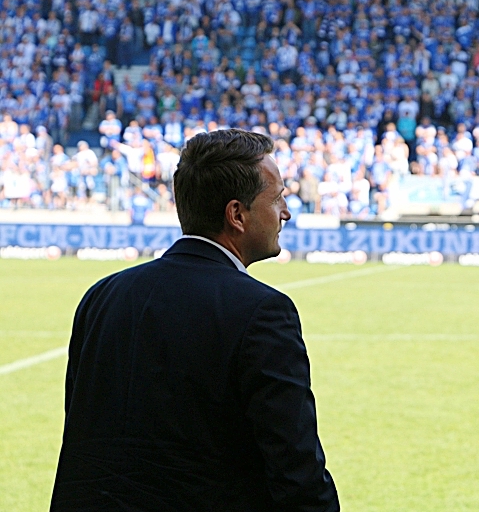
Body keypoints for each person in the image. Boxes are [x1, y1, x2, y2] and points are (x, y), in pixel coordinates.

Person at [51, 129, 339, 511]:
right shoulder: (262, 312)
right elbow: (295, 470)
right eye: (278, 198)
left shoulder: (101, 297)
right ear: (237, 214)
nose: (285, 211)